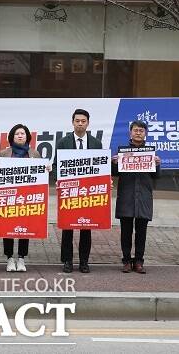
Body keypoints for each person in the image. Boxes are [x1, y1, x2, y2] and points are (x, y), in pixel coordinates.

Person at [56, 108, 102, 274]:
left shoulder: (96, 143)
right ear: (73, 122)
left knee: (86, 226)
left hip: (88, 192)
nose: (80, 124)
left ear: (88, 123)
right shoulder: (63, 142)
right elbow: (56, 165)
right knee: (67, 227)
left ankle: (84, 261)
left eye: (83, 121)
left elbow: (100, 167)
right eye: (77, 121)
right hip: (69, 191)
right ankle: (67, 261)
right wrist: (58, 178)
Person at [112, 120, 161, 274]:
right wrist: (115, 163)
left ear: (145, 133)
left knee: (141, 231)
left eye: (141, 130)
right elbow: (115, 174)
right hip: (126, 195)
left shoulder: (150, 152)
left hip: (144, 196)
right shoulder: (124, 151)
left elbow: (156, 176)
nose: (138, 133)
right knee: (125, 231)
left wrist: (158, 164)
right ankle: (126, 261)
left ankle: (139, 261)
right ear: (130, 133)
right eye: (135, 130)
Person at [0, 124, 42, 273]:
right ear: (12, 137)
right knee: (7, 226)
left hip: (27, 197)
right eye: (17, 134)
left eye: (22, 133)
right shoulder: (4, 154)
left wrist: (45, 169)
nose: (20, 136)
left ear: (27, 136)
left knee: (25, 227)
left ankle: (21, 258)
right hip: (9, 196)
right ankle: (9, 258)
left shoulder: (34, 154)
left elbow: (40, 177)